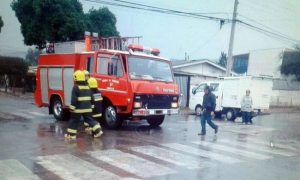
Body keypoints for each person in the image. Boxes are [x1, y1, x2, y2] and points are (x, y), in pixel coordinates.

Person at [64, 70, 103, 140]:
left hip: (78, 109)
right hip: (88, 109)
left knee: (74, 121)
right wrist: (91, 107)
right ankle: (98, 130)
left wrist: (72, 108)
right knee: (90, 120)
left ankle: (71, 135)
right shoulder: (88, 87)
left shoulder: (75, 87)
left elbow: (74, 100)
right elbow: (92, 98)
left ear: (76, 78)